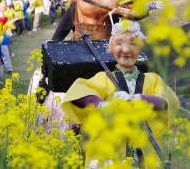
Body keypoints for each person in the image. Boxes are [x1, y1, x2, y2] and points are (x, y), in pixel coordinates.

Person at [62, 20, 180, 168]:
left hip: (144, 151)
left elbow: (166, 101)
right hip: (110, 153)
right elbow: (78, 92)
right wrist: (100, 105)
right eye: (119, 43)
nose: (126, 49)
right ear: (110, 48)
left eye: (133, 43)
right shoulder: (103, 78)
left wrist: (137, 99)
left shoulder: (152, 79)